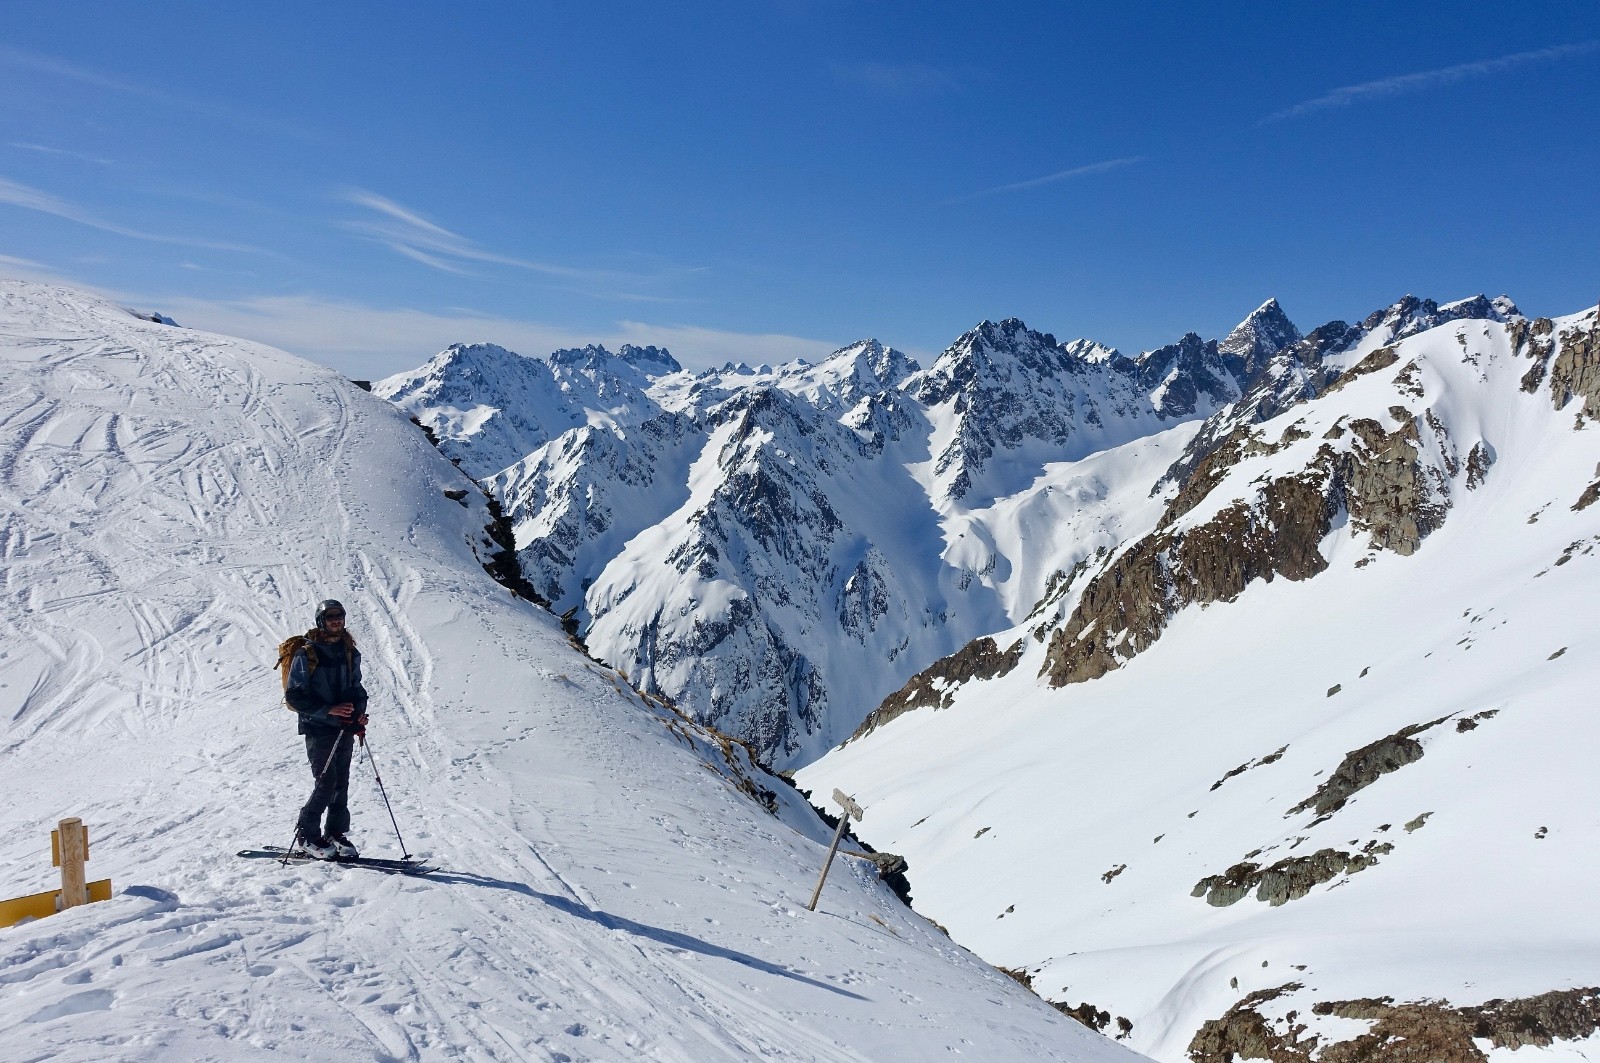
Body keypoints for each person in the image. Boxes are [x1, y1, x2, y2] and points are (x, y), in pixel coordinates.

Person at [284, 599, 369, 859]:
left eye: (339, 615)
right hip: (318, 727)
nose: (336, 620)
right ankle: (306, 836)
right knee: (326, 782)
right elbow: (294, 697)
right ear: (321, 621)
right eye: (331, 616)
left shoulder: (349, 651)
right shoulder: (306, 653)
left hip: (343, 728)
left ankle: (335, 833)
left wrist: (358, 715)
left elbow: (356, 688)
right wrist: (327, 710)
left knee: (341, 782)